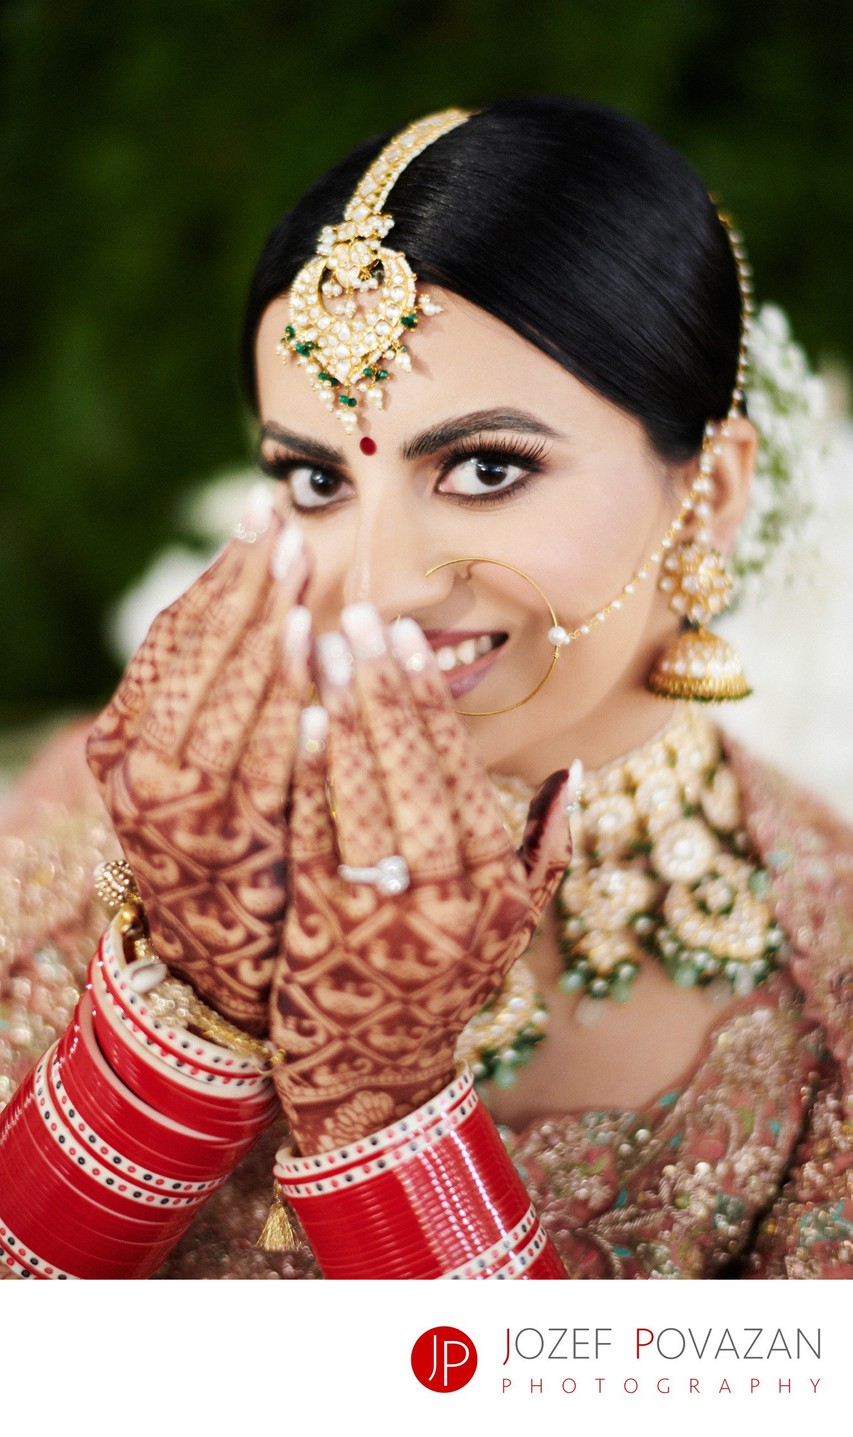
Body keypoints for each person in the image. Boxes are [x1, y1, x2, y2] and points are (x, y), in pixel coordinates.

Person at [1, 97, 850, 1281]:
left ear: (705, 495)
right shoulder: (133, 817)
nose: (374, 586)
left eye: (486, 467)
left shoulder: (827, 1000)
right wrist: (178, 1016)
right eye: (313, 479)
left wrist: (385, 1116)